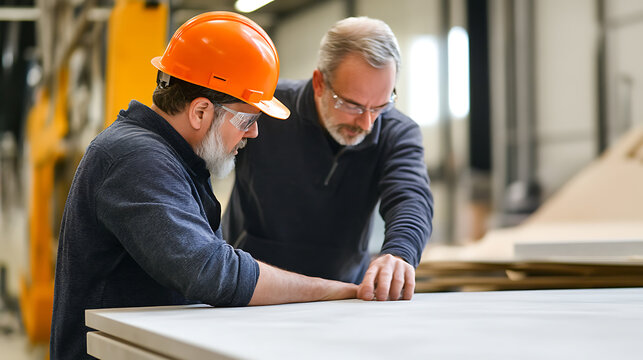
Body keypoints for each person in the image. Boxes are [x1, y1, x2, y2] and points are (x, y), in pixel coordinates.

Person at [50, 12, 356, 360]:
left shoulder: (174, 158)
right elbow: (210, 271)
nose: (253, 132)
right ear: (200, 111)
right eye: (248, 119)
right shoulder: (134, 159)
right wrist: (333, 290)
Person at [223, 17, 434, 302]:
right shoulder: (268, 110)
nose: (367, 123)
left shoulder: (397, 131)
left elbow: (411, 196)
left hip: (341, 295)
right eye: (352, 105)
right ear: (320, 83)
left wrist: (399, 253)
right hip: (252, 289)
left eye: (381, 106)